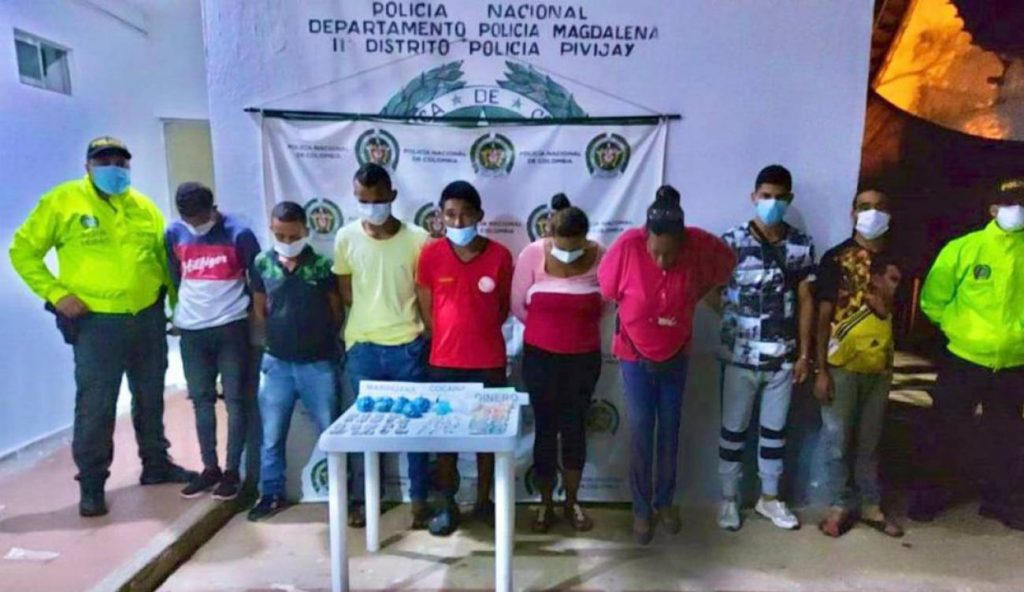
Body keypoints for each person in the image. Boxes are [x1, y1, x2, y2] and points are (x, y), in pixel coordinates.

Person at [9, 136, 196, 517]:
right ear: (88, 166)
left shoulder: (143, 207)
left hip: (146, 317)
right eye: (104, 161)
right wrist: (56, 294)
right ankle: (92, 484)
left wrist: (180, 310)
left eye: (121, 162)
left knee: (150, 396)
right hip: (96, 324)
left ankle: (156, 464)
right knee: (96, 405)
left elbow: (163, 263)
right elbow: (22, 251)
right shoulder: (63, 202)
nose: (114, 168)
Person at [598, 185, 736, 544]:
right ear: (646, 237)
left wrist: (700, 294)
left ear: (682, 243)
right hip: (634, 356)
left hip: (676, 355)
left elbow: (726, 266)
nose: (662, 261)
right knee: (642, 431)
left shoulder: (699, 244)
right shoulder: (628, 246)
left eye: (670, 254)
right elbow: (608, 290)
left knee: (670, 431)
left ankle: (665, 502)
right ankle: (641, 509)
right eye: (655, 252)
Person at [913, 178, 1024, 531]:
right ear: (993, 209)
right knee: (945, 428)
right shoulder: (963, 248)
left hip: (1014, 362)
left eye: (1022, 203)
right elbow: (933, 300)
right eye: (1010, 203)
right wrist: (960, 330)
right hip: (964, 358)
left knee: (1006, 434)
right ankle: (929, 496)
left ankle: (1000, 501)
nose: (1017, 210)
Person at [710, 165, 816, 531]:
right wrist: (732, 322)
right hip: (739, 358)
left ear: (789, 199)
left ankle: (769, 499)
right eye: (765, 196)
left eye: (779, 198)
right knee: (732, 432)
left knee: (774, 433)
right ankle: (728, 499)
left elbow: (807, 300)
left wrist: (804, 355)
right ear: (753, 197)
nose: (771, 203)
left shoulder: (800, 244)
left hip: (782, 359)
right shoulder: (731, 241)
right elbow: (709, 289)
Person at [334, 163, 431, 529]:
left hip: (408, 345)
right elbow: (346, 291)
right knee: (365, 431)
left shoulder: (418, 239)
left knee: (416, 429)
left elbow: (424, 292)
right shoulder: (345, 237)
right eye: (363, 200)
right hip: (363, 348)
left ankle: (420, 501)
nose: (371, 207)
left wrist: (423, 333)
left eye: (377, 200)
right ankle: (364, 500)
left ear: (392, 196)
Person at [415, 180, 514, 536]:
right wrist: (446, 336)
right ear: (440, 217)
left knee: (487, 438)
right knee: (446, 441)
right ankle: (447, 505)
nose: (457, 222)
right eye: (450, 215)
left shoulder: (500, 255)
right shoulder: (431, 254)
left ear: (480, 215)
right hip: (444, 363)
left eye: (465, 215)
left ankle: (484, 502)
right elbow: (426, 305)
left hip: (488, 362)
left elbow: (503, 307)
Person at [813, 188, 904, 538]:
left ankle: (870, 505)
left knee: (870, 442)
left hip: (880, 367)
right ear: (852, 213)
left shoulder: (896, 260)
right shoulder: (836, 258)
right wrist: (821, 369)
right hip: (841, 366)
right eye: (864, 207)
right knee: (837, 440)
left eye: (879, 207)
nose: (872, 213)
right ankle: (839, 504)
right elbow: (823, 316)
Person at [512, 193, 604, 533]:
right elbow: (518, 305)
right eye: (562, 245)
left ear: (585, 237)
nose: (568, 251)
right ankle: (545, 503)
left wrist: (573, 330)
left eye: (575, 246)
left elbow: (605, 304)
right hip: (541, 358)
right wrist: (550, 330)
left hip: (584, 359)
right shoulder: (532, 254)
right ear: (550, 235)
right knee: (546, 430)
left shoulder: (601, 255)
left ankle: (572, 502)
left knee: (575, 428)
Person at [247, 201, 343, 521]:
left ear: (306, 231)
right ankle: (270, 494)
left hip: (318, 365)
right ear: (271, 230)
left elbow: (336, 311)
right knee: (271, 436)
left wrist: (320, 341)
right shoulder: (262, 263)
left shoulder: (322, 266)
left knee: (332, 434)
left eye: (293, 235)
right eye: (280, 235)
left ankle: (343, 495)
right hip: (276, 365)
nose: (287, 241)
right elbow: (259, 308)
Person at [166, 182, 261, 500]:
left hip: (231, 327)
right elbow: (176, 276)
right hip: (192, 331)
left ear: (213, 209)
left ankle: (232, 472)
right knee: (201, 400)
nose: (195, 225)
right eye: (188, 219)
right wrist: (180, 316)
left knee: (235, 400)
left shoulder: (239, 234)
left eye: (200, 218)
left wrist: (256, 324)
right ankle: (210, 468)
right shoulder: (174, 233)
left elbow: (257, 282)